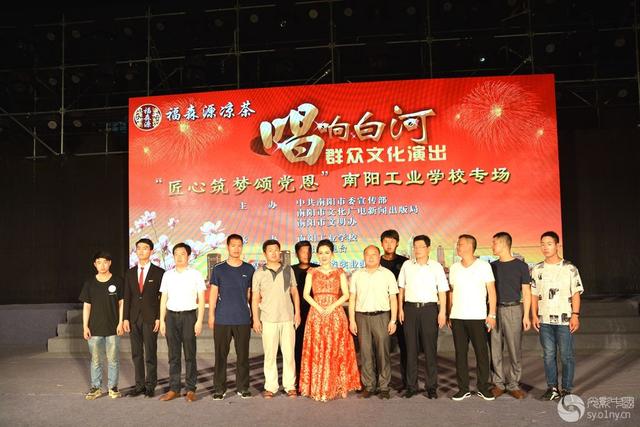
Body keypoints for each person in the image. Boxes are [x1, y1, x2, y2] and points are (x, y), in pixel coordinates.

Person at [299, 239, 360, 401]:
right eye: (320, 253)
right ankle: (319, 387)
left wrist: (332, 306)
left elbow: (346, 294)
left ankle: (336, 385)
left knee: (335, 349)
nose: (324, 256)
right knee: (318, 349)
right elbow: (305, 294)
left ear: (332, 254)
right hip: (316, 314)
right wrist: (319, 308)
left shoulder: (339, 272)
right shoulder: (312, 272)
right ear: (317, 255)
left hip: (336, 314)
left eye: (327, 252)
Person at [531, 231, 584, 400]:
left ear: (557, 245)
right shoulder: (537, 269)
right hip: (544, 319)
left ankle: (566, 389)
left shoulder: (569, 268)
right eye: (542, 244)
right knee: (548, 355)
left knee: (566, 355)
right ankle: (552, 388)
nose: (545, 247)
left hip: (564, 319)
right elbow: (534, 294)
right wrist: (534, 315)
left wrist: (575, 315)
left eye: (549, 244)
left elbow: (576, 293)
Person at [397, 235, 448, 399]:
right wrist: (400, 309)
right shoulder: (407, 265)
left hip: (429, 310)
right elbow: (401, 288)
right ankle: (411, 386)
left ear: (428, 248)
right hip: (410, 309)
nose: (417, 250)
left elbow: (442, 290)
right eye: (415, 247)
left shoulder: (436, 267)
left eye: (421, 246)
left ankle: (431, 387)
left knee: (429, 349)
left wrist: (442, 312)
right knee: (410, 349)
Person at [447, 234, 497, 401]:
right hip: (458, 317)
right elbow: (452, 292)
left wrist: (492, 314)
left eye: (460, 244)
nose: (457, 247)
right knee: (460, 354)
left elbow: (492, 292)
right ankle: (463, 389)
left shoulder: (483, 266)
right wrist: (450, 313)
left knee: (481, 353)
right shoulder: (454, 268)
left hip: (478, 317)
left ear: (470, 246)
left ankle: (483, 387)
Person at [251, 239, 301, 399]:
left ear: (280, 252)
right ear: (265, 253)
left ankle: (290, 386)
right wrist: (256, 319)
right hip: (268, 319)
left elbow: (294, 292)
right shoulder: (259, 273)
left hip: (287, 318)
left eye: (276, 250)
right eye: (270, 250)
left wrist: (297, 313)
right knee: (270, 355)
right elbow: (255, 298)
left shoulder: (288, 270)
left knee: (289, 354)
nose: (273, 253)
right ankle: (271, 387)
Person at [208, 234, 255, 400]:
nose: (236, 248)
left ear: (242, 247)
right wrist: (211, 315)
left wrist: (253, 315)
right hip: (222, 318)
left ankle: (243, 387)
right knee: (220, 356)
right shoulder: (219, 269)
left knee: (243, 356)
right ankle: (219, 389)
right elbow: (213, 293)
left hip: (242, 318)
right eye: (233, 245)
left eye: (239, 245)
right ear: (227, 247)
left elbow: (250, 294)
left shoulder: (249, 269)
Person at [348, 245, 398, 400]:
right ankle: (369, 385)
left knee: (383, 352)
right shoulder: (357, 275)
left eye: (374, 254)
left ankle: (384, 387)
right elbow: (352, 298)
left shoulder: (387, 274)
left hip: (382, 316)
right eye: (367, 254)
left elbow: (393, 298)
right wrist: (352, 320)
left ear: (379, 256)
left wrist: (393, 320)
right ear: (363, 257)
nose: (370, 257)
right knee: (365, 352)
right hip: (361, 317)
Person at [158, 243, 205, 402]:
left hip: (189, 317)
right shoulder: (167, 275)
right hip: (171, 317)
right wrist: (162, 320)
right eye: (176, 254)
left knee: (190, 354)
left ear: (188, 256)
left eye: (182, 254)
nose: (179, 257)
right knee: (173, 355)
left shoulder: (195, 274)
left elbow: (201, 298)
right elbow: (163, 298)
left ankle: (191, 389)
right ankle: (174, 389)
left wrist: (199, 321)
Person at [489, 232, 531, 399]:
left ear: (504, 243)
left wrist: (526, 315)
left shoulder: (521, 266)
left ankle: (513, 384)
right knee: (495, 349)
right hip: (494, 310)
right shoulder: (491, 266)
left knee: (514, 349)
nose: (492, 246)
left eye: (494, 243)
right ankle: (498, 383)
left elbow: (526, 292)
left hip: (514, 309)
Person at [123, 238, 165, 398]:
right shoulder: (130, 273)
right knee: (136, 353)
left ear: (151, 251)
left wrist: (159, 317)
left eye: (145, 248)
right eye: (138, 248)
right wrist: (125, 318)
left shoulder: (159, 272)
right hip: (133, 318)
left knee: (150, 352)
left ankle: (150, 385)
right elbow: (127, 296)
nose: (141, 251)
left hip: (150, 318)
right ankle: (139, 385)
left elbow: (162, 298)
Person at [80, 251, 124, 400]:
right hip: (95, 328)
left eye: (105, 262)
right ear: (95, 264)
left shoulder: (118, 281)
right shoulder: (89, 283)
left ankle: (113, 387)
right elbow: (87, 306)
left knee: (113, 360)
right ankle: (96, 387)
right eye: (99, 262)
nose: (102, 265)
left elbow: (122, 303)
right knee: (96, 360)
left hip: (113, 328)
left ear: (110, 263)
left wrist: (120, 322)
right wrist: (85, 326)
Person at [379, 229, 409, 390]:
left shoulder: (405, 262)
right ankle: (381, 382)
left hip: (402, 309)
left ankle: (407, 382)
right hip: (382, 309)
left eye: (392, 241)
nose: (389, 244)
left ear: (397, 243)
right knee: (381, 348)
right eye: (386, 241)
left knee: (405, 347)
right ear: (381, 244)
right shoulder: (376, 261)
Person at [291, 241, 319, 383]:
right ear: (297, 254)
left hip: (316, 312)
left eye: (309, 251)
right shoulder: (291, 270)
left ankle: (314, 375)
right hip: (297, 313)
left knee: (315, 345)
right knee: (298, 345)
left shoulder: (317, 269)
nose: (306, 255)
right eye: (303, 252)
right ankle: (299, 376)